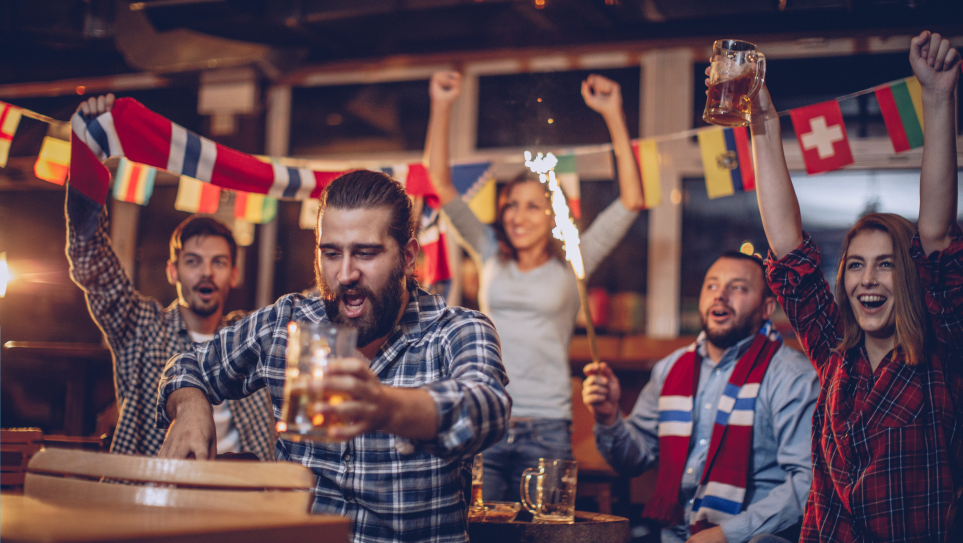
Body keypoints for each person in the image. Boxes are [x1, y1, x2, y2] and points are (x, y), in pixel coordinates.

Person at [156, 170, 511, 543]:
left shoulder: (456, 331)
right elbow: (188, 365)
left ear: (407, 257)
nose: (345, 274)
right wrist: (191, 408)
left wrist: (387, 408)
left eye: (365, 253)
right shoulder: (288, 323)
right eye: (331, 253)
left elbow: (487, 407)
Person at [751, 31, 963, 542]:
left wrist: (938, 98)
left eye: (886, 265)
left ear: (910, 277)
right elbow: (787, 248)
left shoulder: (941, 349)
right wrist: (761, 124)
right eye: (855, 265)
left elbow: (934, 234)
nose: (867, 278)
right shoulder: (833, 351)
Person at [426, 71, 647, 501]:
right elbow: (439, 182)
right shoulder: (489, 251)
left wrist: (613, 113)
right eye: (510, 205)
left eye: (532, 206)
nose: (518, 215)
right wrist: (443, 104)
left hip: (548, 426)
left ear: (554, 215)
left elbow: (633, 199)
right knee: (481, 533)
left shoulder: (574, 263)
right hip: (486, 420)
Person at [66, 94, 275, 459]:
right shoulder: (142, 326)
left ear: (235, 274)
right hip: (157, 496)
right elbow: (91, 262)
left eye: (219, 262)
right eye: (194, 261)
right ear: (173, 270)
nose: (206, 272)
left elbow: (313, 310)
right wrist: (88, 146)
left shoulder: (249, 335)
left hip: (246, 498)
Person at [582, 252, 819, 543]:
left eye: (738, 287)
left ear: (766, 307)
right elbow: (633, 460)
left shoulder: (792, 376)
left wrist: (726, 534)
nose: (720, 296)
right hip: (672, 534)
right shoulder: (670, 369)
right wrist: (608, 418)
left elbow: (807, 482)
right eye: (712, 285)